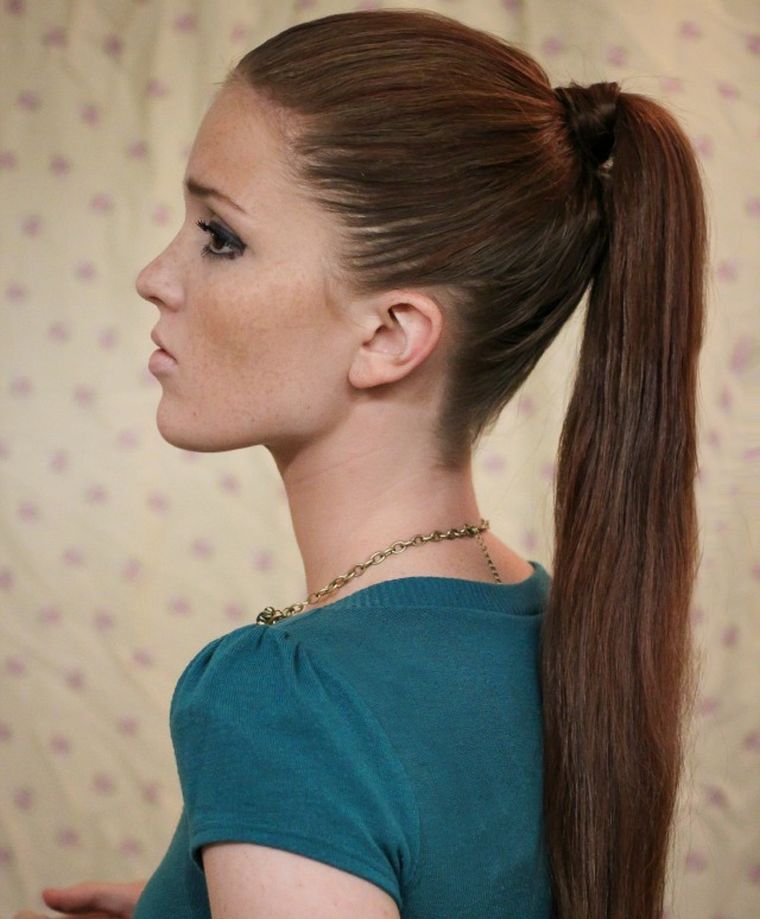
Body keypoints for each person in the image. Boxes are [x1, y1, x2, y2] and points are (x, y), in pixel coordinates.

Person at [16, 7, 707, 919]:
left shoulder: (285, 699)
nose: (155, 275)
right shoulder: (548, 622)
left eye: (220, 236)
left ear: (388, 335)